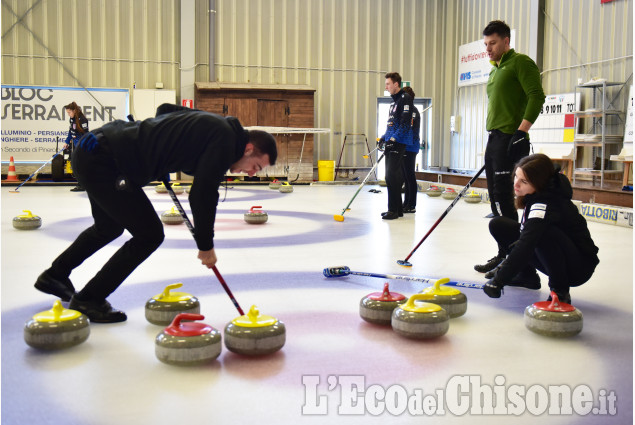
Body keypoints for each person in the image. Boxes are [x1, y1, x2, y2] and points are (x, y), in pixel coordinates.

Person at [34, 104, 277, 323]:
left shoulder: (216, 124)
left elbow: (164, 109)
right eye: (256, 167)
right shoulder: (224, 142)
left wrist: (163, 150)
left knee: (108, 227)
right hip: (106, 160)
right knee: (149, 235)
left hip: (94, 149)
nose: (253, 174)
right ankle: (89, 298)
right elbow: (203, 194)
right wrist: (206, 245)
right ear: (248, 148)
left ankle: (55, 275)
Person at [474, 20, 545, 274]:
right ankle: (505, 254)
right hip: (494, 139)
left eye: (493, 43)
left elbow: (537, 95)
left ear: (506, 41)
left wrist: (521, 131)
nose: (488, 49)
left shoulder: (520, 62)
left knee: (508, 200)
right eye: (485, 44)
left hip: (510, 138)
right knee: (496, 200)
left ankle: (519, 264)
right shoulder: (495, 70)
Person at [482, 154, 599, 303]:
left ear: (538, 183)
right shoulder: (540, 191)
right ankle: (526, 276)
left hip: (578, 267)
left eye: (523, 181)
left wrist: (499, 281)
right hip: (562, 254)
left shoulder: (545, 204)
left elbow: (526, 244)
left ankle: (559, 290)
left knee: (541, 233)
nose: (516, 184)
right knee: (499, 225)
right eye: (516, 176)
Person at [379, 72, 413, 220]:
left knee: (392, 175)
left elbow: (405, 124)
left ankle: (393, 209)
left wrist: (393, 139)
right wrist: (384, 138)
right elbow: (391, 125)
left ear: (396, 84)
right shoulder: (393, 103)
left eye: (388, 84)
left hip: (399, 142)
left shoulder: (405, 99)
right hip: (392, 141)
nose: (386, 87)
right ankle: (397, 209)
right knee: (390, 176)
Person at [401, 86, 420, 214]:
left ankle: (411, 204)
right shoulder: (405, 110)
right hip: (404, 147)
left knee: (410, 176)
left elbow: (410, 130)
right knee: (405, 176)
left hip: (411, 147)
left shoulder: (413, 111)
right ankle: (406, 202)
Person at [63, 102, 89, 192]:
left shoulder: (83, 120)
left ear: (74, 111)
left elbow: (86, 134)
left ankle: (83, 185)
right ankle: (80, 184)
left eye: (69, 112)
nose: (68, 114)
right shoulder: (72, 119)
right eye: (67, 113)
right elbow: (71, 132)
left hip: (82, 146)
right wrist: (67, 141)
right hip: (76, 145)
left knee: (81, 166)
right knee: (77, 165)